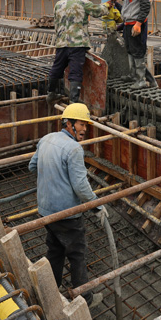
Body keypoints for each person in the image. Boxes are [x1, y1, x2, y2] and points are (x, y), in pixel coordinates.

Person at [28, 103, 106, 307]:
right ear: (68, 123)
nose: (85, 129)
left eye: (86, 125)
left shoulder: (46, 139)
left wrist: (52, 177)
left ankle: (51, 293)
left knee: (55, 250)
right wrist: (97, 207)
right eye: (81, 124)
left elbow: (32, 166)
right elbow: (81, 186)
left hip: (46, 212)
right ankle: (84, 299)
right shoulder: (73, 149)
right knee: (77, 254)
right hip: (67, 215)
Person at [47, 0, 110, 104]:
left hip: (61, 43)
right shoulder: (81, 2)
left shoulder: (58, 4)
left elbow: (56, 24)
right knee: (76, 71)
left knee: (57, 68)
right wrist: (107, 5)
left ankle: (51, 94)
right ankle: (73, 102)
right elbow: (98, 11)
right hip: (77, 44)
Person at [115, 0, 151, 88]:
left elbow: (145, 4)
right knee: (130, 49)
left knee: (137, 51)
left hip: (136, 23)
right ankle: (133, 75)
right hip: (128, 23)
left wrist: (139, 23)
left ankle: (141, 80)